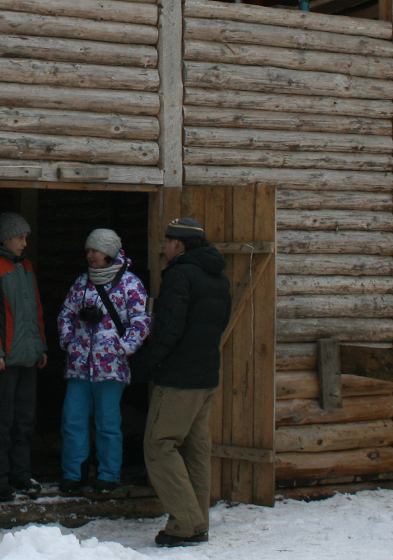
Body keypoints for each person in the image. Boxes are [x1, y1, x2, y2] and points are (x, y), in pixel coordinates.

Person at [134, 217, 231, 547]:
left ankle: (185, 524)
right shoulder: (217, 276)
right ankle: (198, 521)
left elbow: (169, 328)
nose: (164, 247)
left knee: (159, 445)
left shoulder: (180, 274)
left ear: (178, 244)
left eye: (167, 241)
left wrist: (147, 363)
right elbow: (220, 322)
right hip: (205, 375)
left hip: (178, 378)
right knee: (194, 449)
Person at [57, 228, 151, 494]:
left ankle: (109, 476)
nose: (90, 256)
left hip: (111, 367)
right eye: (88, 251)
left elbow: (142, 320)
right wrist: (69, 341)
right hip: (78, 366)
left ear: (108, 253)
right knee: (73, 421)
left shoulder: (129, 284)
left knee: (108, 424)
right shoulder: (81, 283)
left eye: (95, 251)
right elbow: (65, 314)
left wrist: (121, 347)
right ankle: (73, 475)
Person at [0, 212, 47, 502]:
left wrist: (40, 347)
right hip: (3, 360)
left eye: (25, 238)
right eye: (20, 238)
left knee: (24, 421)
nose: (24, 243)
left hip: (27, 358)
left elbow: (36, 311)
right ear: (5, 238)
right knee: (1, 421)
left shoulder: (26, 267)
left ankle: (21, 475)